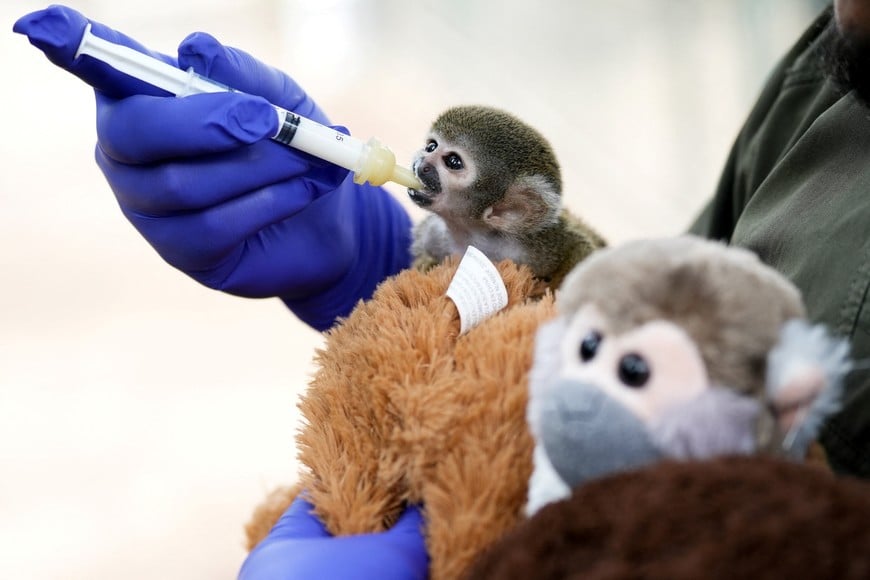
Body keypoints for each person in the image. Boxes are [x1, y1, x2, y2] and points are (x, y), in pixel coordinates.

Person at [13, 1, 869, 578]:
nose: (420, 168)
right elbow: (674, 317)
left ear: (516, 205)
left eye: (447, 165)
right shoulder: (839, 57)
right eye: (430, 150)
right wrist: (388, 261)